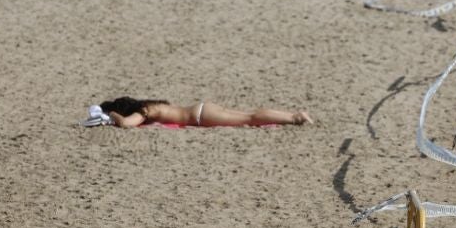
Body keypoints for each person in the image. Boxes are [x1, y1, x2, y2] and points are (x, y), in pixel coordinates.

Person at [98, 96, 311, 127]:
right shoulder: (152, 104)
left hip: (201, 116)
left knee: (250, 118)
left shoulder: (145, 111)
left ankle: (293, 117)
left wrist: (112, 116)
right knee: (250, 114)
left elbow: (126, 124)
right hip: (202, 108)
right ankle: (291, 115)